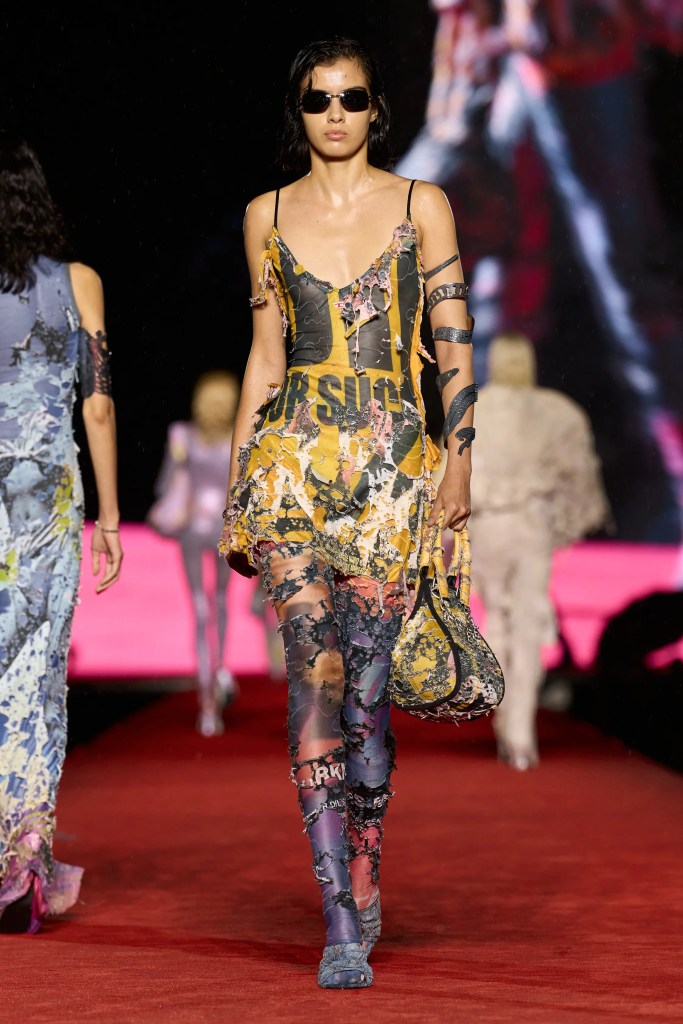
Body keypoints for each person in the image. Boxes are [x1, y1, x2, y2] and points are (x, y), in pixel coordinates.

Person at [218, 37, 476, 989]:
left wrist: (459, 461)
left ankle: (365, 865)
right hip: (290, 468)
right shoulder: (265, 213)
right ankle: (335, 915)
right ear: (299, 112)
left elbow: (453, 339)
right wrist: (239, 487)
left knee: (367, 698)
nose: (335, 114)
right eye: (318, 100)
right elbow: (264, 356)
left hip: (391, 473)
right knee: (316, 676)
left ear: (376, 109)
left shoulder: (420, 205)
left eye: (352, 98)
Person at [395, 0, 683, 544]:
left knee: (630, 283)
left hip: (581, 47)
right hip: (509, 52)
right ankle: (487, 491)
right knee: (493, 280)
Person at [0, 130, 122, 933]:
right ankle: (23, 854)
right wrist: (109, 514)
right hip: (46, 492)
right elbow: (97, 404)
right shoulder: (79, 282)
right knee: (35, 670)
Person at [465, 331, 611, 771]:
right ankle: (521, 732)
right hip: (531, 526)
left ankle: (505, 715)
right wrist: (563, 526)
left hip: (489, 525)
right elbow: (580, 479)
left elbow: (454, 474)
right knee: (527, 621)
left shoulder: (473, 409)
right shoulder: (559, 412)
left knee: (498, 618)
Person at [148, 370, 241, 736]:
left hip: (193, 529)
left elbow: (164, 483)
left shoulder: (182, 436)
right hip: (223, 529)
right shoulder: (237, 436)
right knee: (219, 603)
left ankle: (208, 700)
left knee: (202, 609)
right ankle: (220, 672)